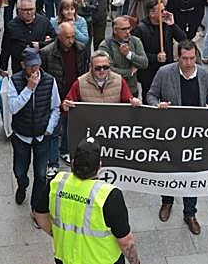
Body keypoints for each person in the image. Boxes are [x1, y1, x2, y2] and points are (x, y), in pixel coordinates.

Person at [147, 41, 208, 235]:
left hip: (195, 136)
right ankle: (167, 201)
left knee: (192, 175)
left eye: (192, 58)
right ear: (177, 57)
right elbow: (151, 95)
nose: (188, 63)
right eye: (184, 58)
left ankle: (190, 213)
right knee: (168, 170)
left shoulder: (204, 75)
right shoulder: (164, 73)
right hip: (170, 134)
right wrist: (157, 105)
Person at [34, 137, 141, 264]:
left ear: (73, 163)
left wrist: (55, 234)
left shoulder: (57, 182)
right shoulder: (109, 195)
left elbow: (39, 215)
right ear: (99, 166)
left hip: (65, 259)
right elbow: (126, 242)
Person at [7, 46, 61, 211]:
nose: (35, 69)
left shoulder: (49, 80)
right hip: (21, 135)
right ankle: (22, 186)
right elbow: (13, 107)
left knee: (41, 175)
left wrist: (49, 128)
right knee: (20, 171)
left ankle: (36, 208)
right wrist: (29, 88)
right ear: (23, 65)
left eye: (37, 65)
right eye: (31, 65)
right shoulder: (14, 81)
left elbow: (56, 107)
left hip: (41, 136)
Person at [41, 23, 90, 176]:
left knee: (70, 126)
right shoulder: (47, 52)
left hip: (74, 94)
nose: (71, 40)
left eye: (73, 36)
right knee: (54, 129)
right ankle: (52, 162)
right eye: (67, 37)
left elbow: (84, 70)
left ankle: (66, 150)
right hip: (56, 95)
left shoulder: (81, 49)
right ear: (59, 37)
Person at [133, 0, 187, 96]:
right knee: (149, 98)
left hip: (167, 70)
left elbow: (183, 40)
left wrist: (173, 24)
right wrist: (155, 57)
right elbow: (137, 54)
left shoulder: (167, 25)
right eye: (161, 11)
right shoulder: (141, 29)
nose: (165, 13)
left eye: (164, 9)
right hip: (149, 72)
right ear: (152, 13)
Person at [0, 0, 55, 75]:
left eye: (31, 9)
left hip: (40, 66)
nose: (29, 12)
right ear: (18, 10)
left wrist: (41, 45)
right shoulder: (11, 26)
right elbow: (5, 47)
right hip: (19, 67)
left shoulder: (43, 22)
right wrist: (3, 67)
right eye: (25, 10)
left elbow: (56, 39)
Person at [64, 51, 141, 106]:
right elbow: (66, 103)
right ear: (90, 67)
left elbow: (128, 99)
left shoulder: (119, 80)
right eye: (98, 68)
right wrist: (66, 105)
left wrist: (133, 101)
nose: (102, 70)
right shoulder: (80, 82)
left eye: (105, 67)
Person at [99, 16, 149, 98]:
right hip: (113, 90)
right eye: (124, 29)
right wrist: (130, 72)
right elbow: (108, 70)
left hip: (131, 89)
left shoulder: (135, 41)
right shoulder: (105, 45)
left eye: (129, 28)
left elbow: (144, 63)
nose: (128, 32)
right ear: (115, 30)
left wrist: (129, 55)